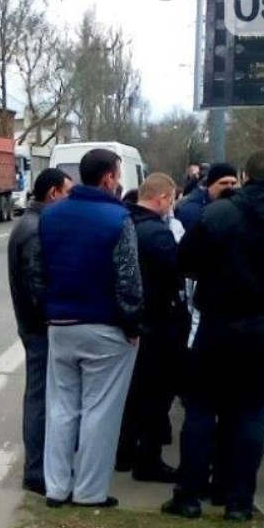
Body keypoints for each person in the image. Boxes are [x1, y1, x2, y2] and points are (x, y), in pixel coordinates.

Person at [163, 149, 264, 522]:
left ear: (245, 176)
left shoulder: (218, 214)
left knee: (201, 410)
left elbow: (184, 261)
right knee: (251, 414)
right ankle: (238, 501)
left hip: (218, 323)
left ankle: (188, 495)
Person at [39, 148, 143, 509]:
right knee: (100, 411)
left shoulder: (51, 216)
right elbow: (128, 281)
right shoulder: (118, 218)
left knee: (62, 407)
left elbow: (40, 273)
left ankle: (55, 487)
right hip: (105, 327)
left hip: (60, 324)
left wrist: (48, 313)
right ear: (111, 177)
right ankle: (89, 491)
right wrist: (132, 324)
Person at [118, 174, 189, 483]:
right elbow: (175, 276)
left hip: (129, 322)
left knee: (130, 395)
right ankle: (149, 460)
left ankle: (123, 453)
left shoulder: (123, 224)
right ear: (162, 199)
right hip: (159, 323)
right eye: (171, 200)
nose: (171, 206)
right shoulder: (158, 234)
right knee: (156, 396)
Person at [7, 167, 72, 496]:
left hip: (34, 326)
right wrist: (54, 319)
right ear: (54, 194)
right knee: (40, 397)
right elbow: (36, 287)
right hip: (39, 330)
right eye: (68, 192)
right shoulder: (35, 228)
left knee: (42, 395)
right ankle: (36, 471)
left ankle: (40, 466)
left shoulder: (30, 223)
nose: (70, 199)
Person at [175, 163, 239, 232]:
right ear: (210, 185)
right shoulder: (192, 211)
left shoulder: (239, 207)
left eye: (233, 183)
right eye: (224, 183)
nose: (230, 187)